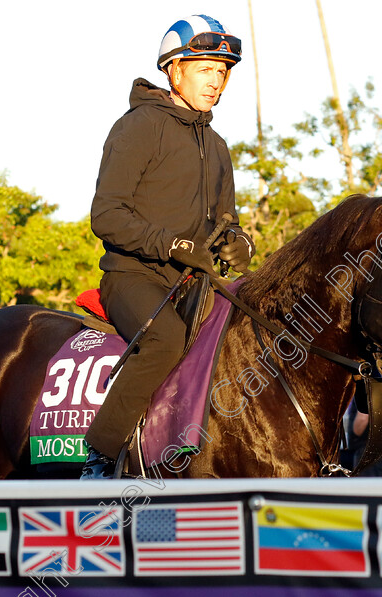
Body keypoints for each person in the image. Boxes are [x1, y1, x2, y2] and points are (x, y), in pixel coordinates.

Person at [81, 15, 254, 479]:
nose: (215, 81)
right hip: (133, 277)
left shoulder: (218, 146)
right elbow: (107, 215)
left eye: (222, 72)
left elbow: (227, 222)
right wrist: (173, 246)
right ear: (174, 69)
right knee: (166, 339)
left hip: (195, 283)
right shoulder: (138, 127)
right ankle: (98, 459)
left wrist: (240, 245)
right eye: (205, 69)